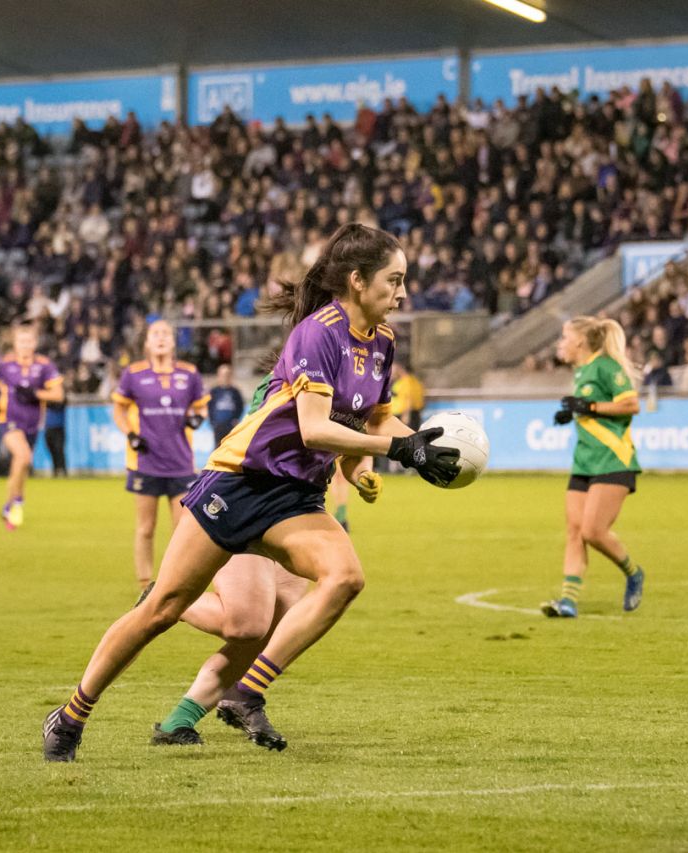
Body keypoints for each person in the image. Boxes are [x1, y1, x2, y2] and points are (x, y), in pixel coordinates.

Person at [42, 222, 459, 762]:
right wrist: (397, 449)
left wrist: (415, 447)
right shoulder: (318, 331)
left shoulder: (382, 341)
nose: (403, 293)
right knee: (163, 609)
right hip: (240, 482)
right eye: (394, 280)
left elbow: (375, 417)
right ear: (357, 281)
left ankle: (246, 693)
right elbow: (313, 427)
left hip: (297, 497)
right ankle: (71, 713)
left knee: (345, 577)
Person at [150, 376, 381, 750]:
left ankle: (188, 716)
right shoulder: (294, 380)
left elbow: (350, 448)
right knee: (246, 625)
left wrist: (362, 474)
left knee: (276, 632)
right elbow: (311, 434)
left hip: (299, 509)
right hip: (250, 500)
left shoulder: (351, 384)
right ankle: (164, 599)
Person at [542, 316, 647, 617]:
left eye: (564, 337)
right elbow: (591, 407)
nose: (560, 343)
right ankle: (568, 602)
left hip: (613, 459)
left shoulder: (606, 366)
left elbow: (631, 405)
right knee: (575, 532)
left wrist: (588, 408)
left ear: (579, 341)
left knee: (593, 531)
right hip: (585, 461)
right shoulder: (583, 371)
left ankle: (634, 572)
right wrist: (575, 413)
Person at [111, 320, 209, 590]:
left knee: (182, 530)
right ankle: (145, 585)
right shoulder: (133, 374)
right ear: (146, 343)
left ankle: (173, 582)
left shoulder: (189, 374)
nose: (161, 338)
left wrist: (197, 419)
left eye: (166, 333)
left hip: (180, 463)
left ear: (174, 342)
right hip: (146, 462)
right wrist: (130, 435)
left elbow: (201, 409)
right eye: (156, 334)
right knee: (145, 528)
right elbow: (118, 410)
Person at [0, 327, 65, 529]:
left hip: (33, 424)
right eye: (21, 341)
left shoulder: (44, 366)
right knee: (24, 456)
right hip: (9, 420)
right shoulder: (6, 364)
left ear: (35, 343)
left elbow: (58, 395)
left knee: (20, 465)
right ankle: (15, 503)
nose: (25, 345)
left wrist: (35, 394)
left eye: (29, 341)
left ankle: (10, 504)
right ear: (15, 343)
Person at [207, 364, 245, 447]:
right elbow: (209, 406)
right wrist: (212, 421)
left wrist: (236, 419)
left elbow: (240, 406)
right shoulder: (214, 391)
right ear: (219, 376)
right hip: (218, 425)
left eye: (227, 375)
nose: (225, 377)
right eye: (223, 375)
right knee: (218, 447)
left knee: (230, 448)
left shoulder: (235, 392)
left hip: (231, 425)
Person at [43, 393, 68, 477]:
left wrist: (50, 398)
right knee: (50, 448)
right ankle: (55, 469)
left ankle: (62, 469)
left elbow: (59, 404)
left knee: (59, 448)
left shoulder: (61, 397)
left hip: (59, 427)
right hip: (48, 427)